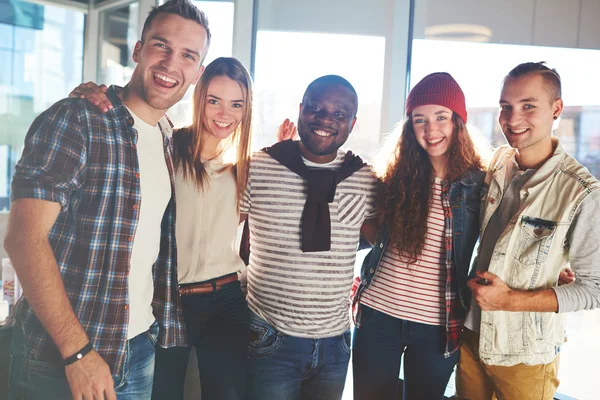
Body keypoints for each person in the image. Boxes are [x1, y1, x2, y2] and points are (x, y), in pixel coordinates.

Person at [2, 1, 210, 398]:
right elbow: (24, 239)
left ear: (198, 73)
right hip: (61, 357)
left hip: (137, 350)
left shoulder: (166, 136)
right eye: (160, 46)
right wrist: (77, 353)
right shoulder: (77, 119)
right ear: (137, 50)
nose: (171, 64)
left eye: (188, 55)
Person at [456, 62, 600, 400]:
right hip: (471, 336)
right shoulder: (498, 165)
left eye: (528, 106)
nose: (512, 117)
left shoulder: (582, 192)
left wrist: (509, 300)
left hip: (525, 354)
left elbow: (594, 290)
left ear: (557, 110)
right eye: (506, 106)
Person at [240, 74, 378, 400]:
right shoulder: (259, 166)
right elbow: (216, 227)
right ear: (301, 110)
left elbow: (386, 240)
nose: (326, 119)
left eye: (339, 114)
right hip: (270, 335)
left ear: (352, 123)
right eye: (316, 109)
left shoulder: (364, 178)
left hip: (335, 342)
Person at [350, 72, 487, 399]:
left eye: (441, 117)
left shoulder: (479, 186)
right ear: (409, 127)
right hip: (377, 316)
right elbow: (369, 235)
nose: (431, 129)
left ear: (458, 122)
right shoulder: (392, 178)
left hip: (438, 327)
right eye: (419, 120)